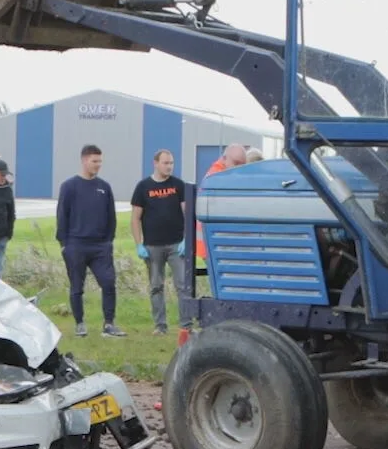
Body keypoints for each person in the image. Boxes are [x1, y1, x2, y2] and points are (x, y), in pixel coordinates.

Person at [55, 144, 124, 338]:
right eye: (94, 161)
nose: (98, 165)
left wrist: (108, 241)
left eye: (100, 161)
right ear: (84, 160)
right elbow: (62, 216)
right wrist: (65, 244)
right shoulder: (69, 186)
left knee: (109, 283)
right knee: (77, 286)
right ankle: (80, 323)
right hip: (76, 244)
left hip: (100, 246)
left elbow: (111, 216)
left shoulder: (104, 187)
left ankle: (109, 323)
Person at [130, 149, 189, 335]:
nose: (169, 166)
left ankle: (186, 326)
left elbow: (188, 214)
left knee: (182, 286)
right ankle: (160, 326)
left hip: (176, 246)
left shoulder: (179, 186)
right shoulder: (143, 187)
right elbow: (135, 218)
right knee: (156, 286)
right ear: (156, 163)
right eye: (165, 163)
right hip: (153, 246)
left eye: (171, 163)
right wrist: (139, 243)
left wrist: (187, 239)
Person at [194, 143, 252, 263]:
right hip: (213, 243)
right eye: (236, 163)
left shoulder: (221, 175)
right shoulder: (218, 178)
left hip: (214, 242)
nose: (239, 168)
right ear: (224, 159)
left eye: (243, 164)